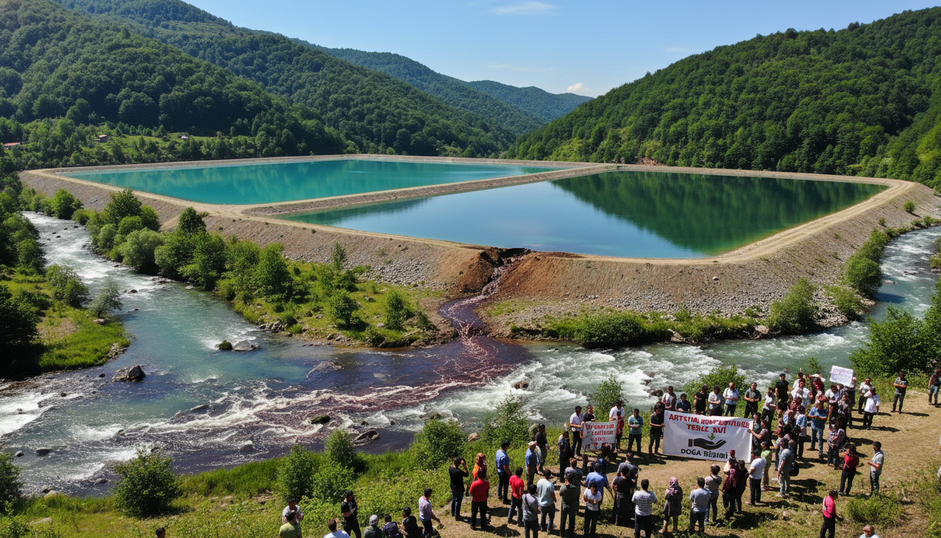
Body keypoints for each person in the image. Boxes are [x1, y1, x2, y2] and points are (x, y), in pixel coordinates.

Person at [559, 471, 580, 537]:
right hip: (573, 506)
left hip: (565, 505)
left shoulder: (564, 487)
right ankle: (571, 533)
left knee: (563, 520)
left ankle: (562, 533)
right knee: (572, 520)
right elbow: (577, 495)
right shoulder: (575, 488)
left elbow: (560, 493)